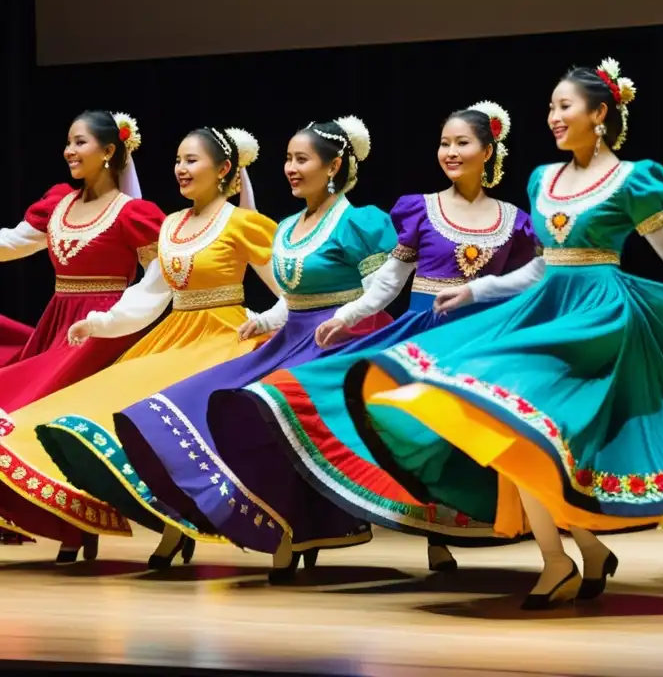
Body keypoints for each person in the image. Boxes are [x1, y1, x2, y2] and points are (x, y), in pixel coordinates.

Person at [346, 59, 663, 609]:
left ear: (599, 114)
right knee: (511, 431)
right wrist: (477, 291)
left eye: (565, 107)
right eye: (552, 108)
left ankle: (563, 560)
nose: (554, 117)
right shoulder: (544, 178)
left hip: (599, 320)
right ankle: (573, 553)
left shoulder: (635, 178)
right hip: (543, 311)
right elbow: (542, 266)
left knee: (526, 432)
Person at [197, 102, 542, 581]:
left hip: (483, 338)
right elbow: (388, 281)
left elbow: (532, 278)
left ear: (488, 150)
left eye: (462, 143)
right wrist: (349, 315)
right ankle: (434, 536)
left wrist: (502, 307)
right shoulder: (421, 209)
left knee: (480, 435)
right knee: (419, 433)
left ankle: (506, 533)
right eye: (444, 143)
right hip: (426, 334)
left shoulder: (516, 220)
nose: (451, 151)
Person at [112, 116, 397, 574]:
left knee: (274, 411)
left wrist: (345, 319)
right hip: (292, 337)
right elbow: (293, 297)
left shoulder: (361, 222)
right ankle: (268, 524)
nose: (290, 167)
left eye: (301, 159)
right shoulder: (286, 227)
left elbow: (380, 290)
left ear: (333, 166)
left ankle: (294, 531)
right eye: (287, 158)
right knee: (197, 401)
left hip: (343, 340)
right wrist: (264, 319)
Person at [0, 125, 279, 565]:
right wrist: (100, 323)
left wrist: (266, 320)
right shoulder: (172, 225)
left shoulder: (244, 223)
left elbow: (291, 290)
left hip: (227, 336)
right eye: (178, 160)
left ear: (224, 169)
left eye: (192, 160)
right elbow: (151, 295)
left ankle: (202, 524)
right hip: (177, 336)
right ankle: (170, 522)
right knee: (107, 409)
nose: (181, 169)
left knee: (183, 425)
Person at [0, 111, 164, 412]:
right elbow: (11, 243)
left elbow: (158, 278)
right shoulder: (59, 204)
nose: (69, 151)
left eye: (79, 142)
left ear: (109, 151)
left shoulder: (131, 213)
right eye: (68, 143)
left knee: (40, 403)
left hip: (102, 332)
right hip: (56, 325)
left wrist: (115, 320)